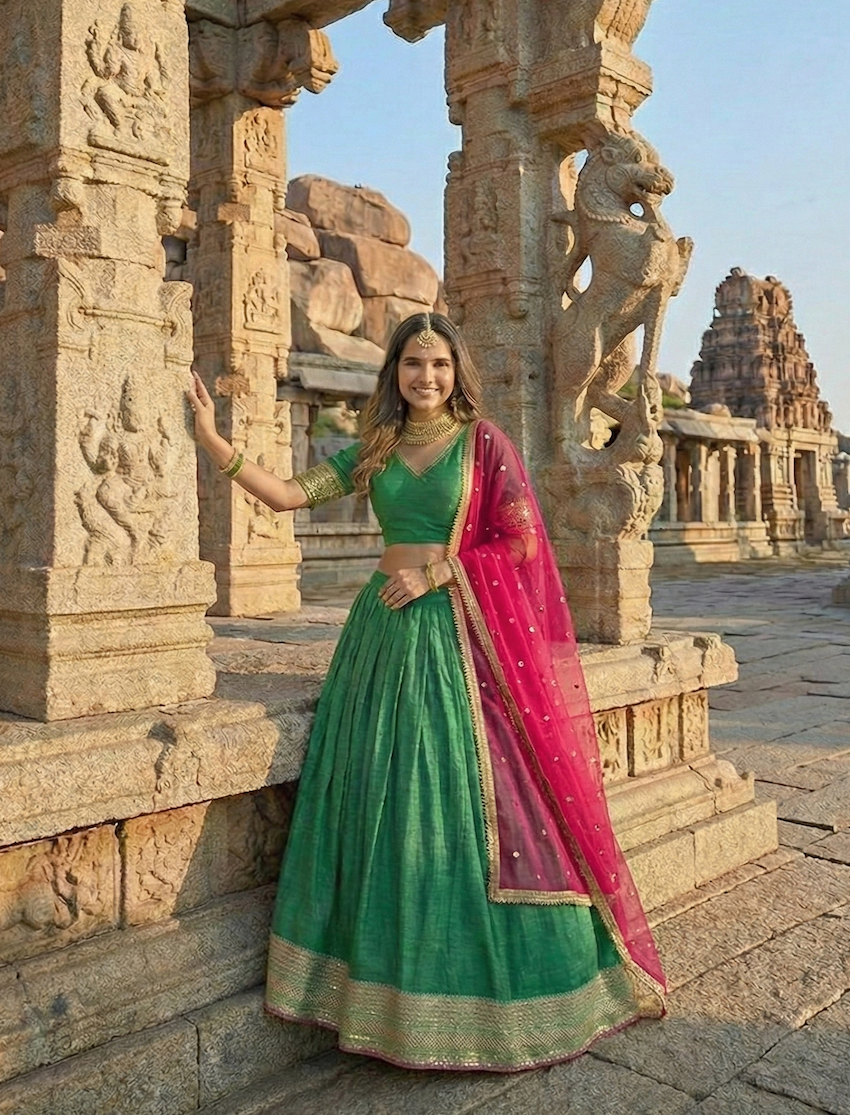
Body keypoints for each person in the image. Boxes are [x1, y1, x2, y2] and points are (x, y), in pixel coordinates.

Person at [188, 312, 666, 1072]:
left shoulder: (485, 444)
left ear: (457, 371)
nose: (427, 378)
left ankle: (487, 991)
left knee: (454, 795)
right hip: (380, 639)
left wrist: (440, 572)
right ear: (395, 373)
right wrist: (216, 443)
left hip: (454, 633)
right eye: (414, 364)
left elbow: (521, 541)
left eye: (440, 365)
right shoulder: (377, 447)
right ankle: (376, 992)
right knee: (378, 793)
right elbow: (284, 494)